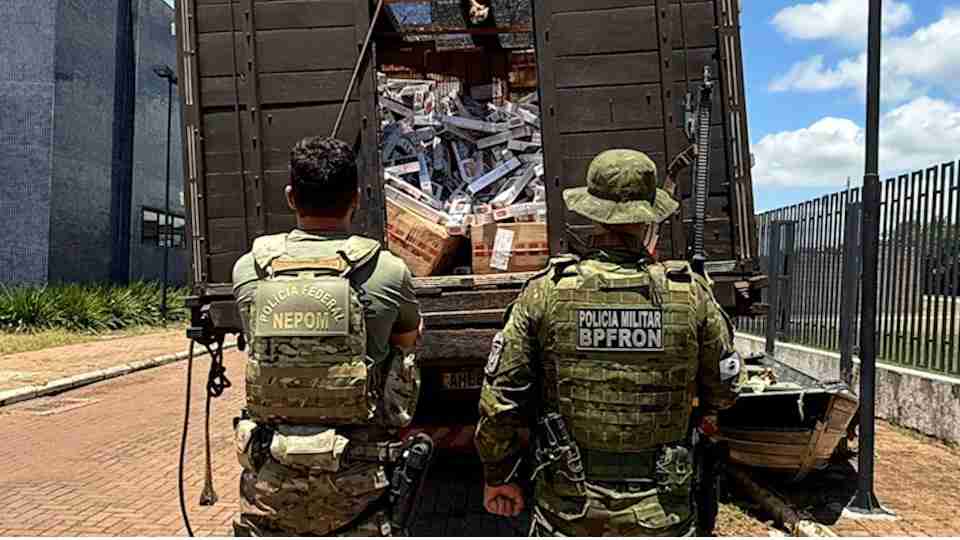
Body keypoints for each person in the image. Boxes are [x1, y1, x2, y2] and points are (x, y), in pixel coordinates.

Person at [474, 149, 745, 537]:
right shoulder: (692, 296)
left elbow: (501, 402)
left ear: (592, 212)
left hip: (570, 510)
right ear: (650, 216)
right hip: (662, 512)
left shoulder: (545, 293)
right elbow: (725, 391)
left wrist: (498, 474)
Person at [231, 136, 423, 536]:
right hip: (358, 484)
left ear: (290, 197)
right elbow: (406, 343)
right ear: (356, 198)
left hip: (271, 483)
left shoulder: (249, 269)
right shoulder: (389, 270)